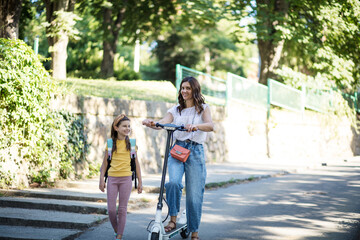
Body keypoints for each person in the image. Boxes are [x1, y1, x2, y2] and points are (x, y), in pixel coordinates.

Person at [142, 76, 214, 240]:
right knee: (173, 183)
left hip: (195, 151)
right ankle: (173, 220)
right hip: (178, 149)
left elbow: (210, 126)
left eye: (188, 88)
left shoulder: (203, 108)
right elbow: (163, 123)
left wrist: (196, 126)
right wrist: (152, 123)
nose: (184, 91)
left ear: (195, 90)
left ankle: (194, 232)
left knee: (194, 195)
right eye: (182, 88)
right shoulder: (175, 110)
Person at [99, 114, 143, 240]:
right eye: (124, 126)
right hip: (112, 179)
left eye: (129, 126)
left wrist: (140, 181)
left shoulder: (132, 144)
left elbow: (136, 164)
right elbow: (105, 163)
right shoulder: (110, 143)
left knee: (122, 209)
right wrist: (101, 179)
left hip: (126, 179)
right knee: (111, 210)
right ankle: (117, 229)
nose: (127, 128)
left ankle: (119, 236)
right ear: (116, 127)